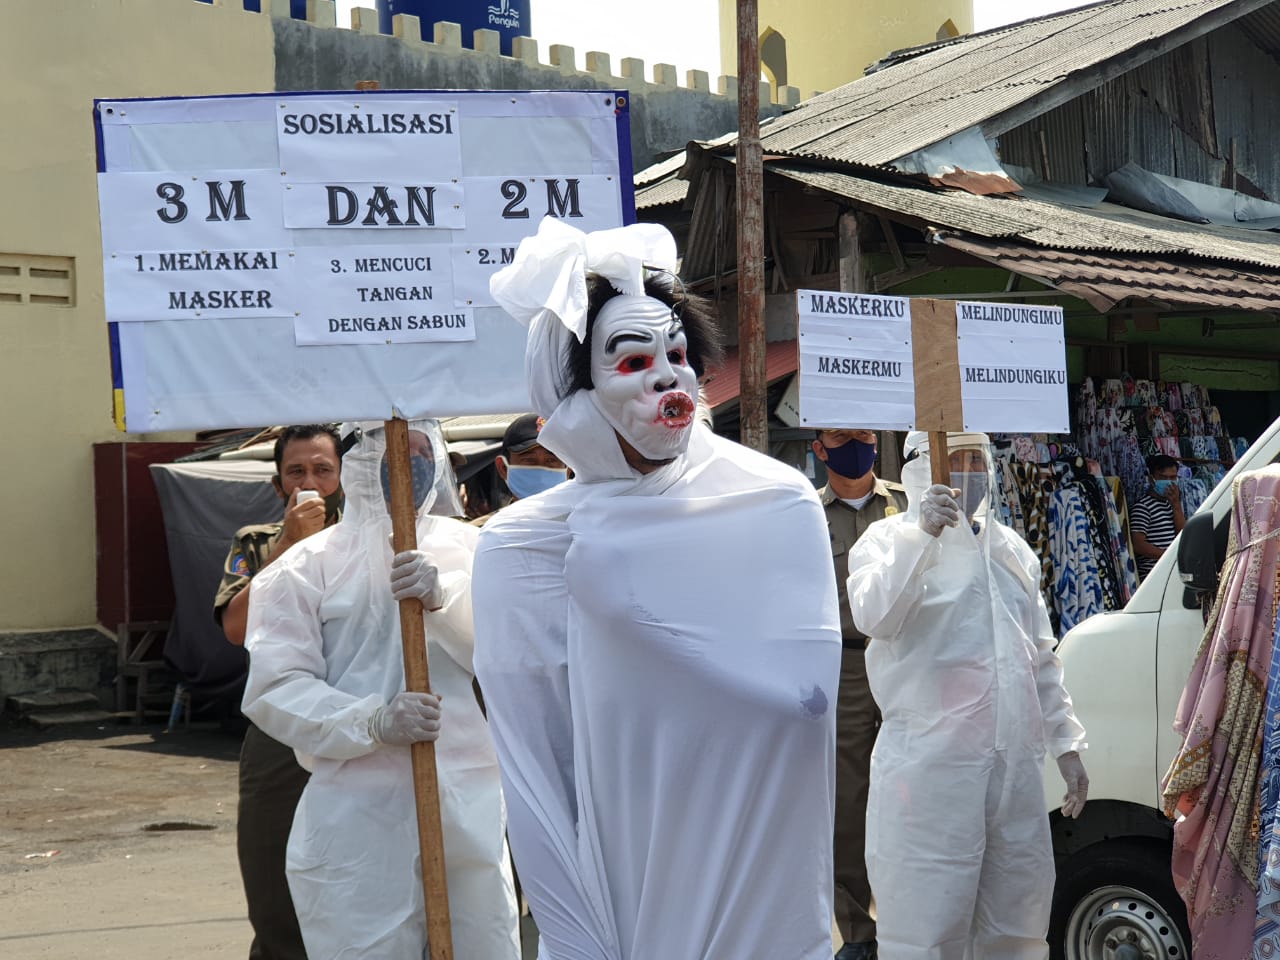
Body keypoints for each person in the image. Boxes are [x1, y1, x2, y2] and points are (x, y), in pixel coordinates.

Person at [472, 218, 842, 960]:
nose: (667, 378)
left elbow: (807, 701)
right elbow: (534, 766)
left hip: (767, 880)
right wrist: (573, 934)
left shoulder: (773, 503)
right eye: (633, 361)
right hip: (627, 880)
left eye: (676, 355)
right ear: (569, 396)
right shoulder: (526, 549)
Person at [240, 419, 520, 960]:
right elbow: (275, 687)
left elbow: (508, 653)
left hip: (467, 793)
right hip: (355, 805)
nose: (408, 464)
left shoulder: (474, 550)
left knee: (482, 941)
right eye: (392, 451)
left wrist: (446, 600)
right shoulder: (302, 568)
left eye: (420, 451)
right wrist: (370, 722)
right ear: (361, 461)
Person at [846, 431, 1089, 960]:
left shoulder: (1011, 551)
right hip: (930, 772)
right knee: (927, 921)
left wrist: (1067, 747)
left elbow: (1041, 658)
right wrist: (921, 539)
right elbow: (875, 616)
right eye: (952, 460)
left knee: (1018, 917)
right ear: (918, 468)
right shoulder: (887, 543)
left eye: (976, 461)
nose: (967, 474)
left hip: (1014, 774)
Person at [213, 422, 343, 960]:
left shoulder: (371, 537)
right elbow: (237, 630)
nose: (309, 481)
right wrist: (289, 544)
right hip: (282, 728)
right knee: (273, 878)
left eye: (322, 470)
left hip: (365, 717)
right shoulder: (257, 541)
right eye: (296, 472)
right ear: (278, 485)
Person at [814, 428, 907, 960]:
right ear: (819, 448)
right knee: (848, 797)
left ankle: (906, 916)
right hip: (845, 667)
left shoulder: (911, 503)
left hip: (905, 660)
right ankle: (856, 929)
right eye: (841, 436)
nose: (855, 443)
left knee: (912, 787)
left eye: (864, 434)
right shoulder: (806, 513)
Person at [1130, 454, 1186, 580]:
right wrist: (1168, 557)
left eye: (1172, 477)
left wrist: (1176, 506)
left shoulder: (1171, 504)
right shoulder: (1142, 507)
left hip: (1171, 573)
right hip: (1153, 576)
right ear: (1152, 478)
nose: (1168, 481)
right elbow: (1138, 544)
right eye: (1163, 477)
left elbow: (1182, 534)